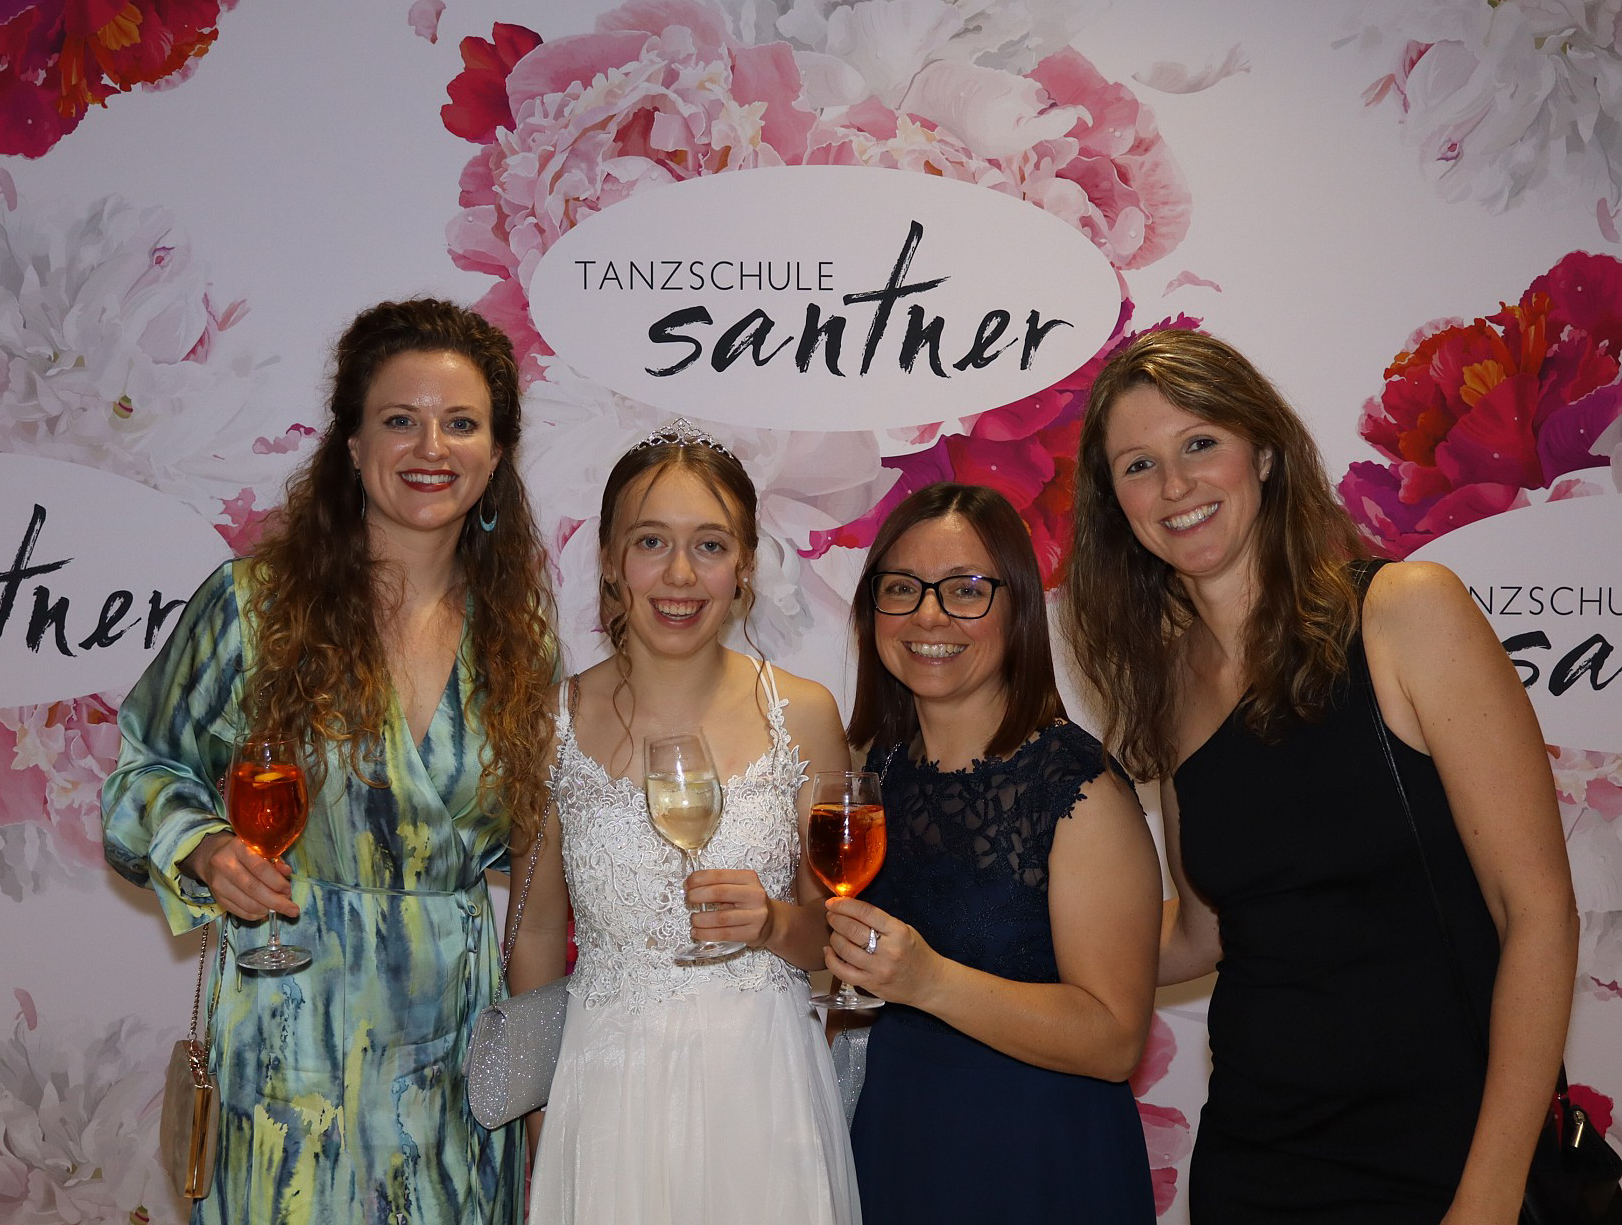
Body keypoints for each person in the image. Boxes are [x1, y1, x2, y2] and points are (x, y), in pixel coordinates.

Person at [1062, 327, 1577, 1223]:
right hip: (1258, 1164)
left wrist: (1490, 1197)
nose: (1175, 486)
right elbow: (1207, 930)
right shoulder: (1170, 688)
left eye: (1199, 443)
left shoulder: (1405, 613)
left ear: (1263, 454)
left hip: (1444, 1160)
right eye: (1138, 466)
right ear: (1117, 504)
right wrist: (999, 930)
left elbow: (1537, 912)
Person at [101, 298, 557, 1224]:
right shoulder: (254, 605)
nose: (430, 447)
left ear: (497, 452)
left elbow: (532, 855)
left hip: (456, 1058)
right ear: (351, 443)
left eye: (461, 423)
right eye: (399, 419)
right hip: (289, 1029)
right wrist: (204, 848)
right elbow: (142, 770)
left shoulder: (521, 641)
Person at [505, 417, 861, 1225]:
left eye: (709, 545)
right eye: (650, 542)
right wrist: (541, 1111)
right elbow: (535, 932)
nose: (679, 574)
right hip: (605, 1090)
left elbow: (833, 936)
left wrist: (772, 924)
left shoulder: (804, 713)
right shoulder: (548, 723)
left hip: (763, 1089)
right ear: (608, 560)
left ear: (745, 566)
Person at [823, 481, 1161, 1225]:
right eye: (902, 588)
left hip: (1034, 1161)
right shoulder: (876, 773)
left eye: (967, 590)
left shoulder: (1078, 788)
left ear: (1019, 609)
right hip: (895, 1142)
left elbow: (1114, 1038)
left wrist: (930, 981)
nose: (929, 615)